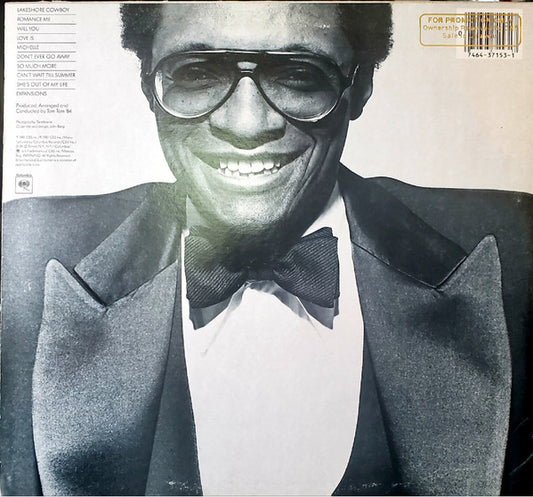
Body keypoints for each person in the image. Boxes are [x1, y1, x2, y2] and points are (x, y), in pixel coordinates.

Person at [1, 2, 532, 496]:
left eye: (299, 74)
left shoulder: (517, 253)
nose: (247, 124)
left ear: (362, 85)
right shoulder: (22, 255)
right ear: (147, 84)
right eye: (197, 73)